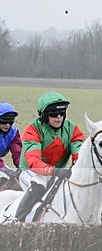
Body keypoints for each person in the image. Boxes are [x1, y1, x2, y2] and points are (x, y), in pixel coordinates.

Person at [15, 92, 85, 222]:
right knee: (40, 184)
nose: (58, 117)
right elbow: (34, 162)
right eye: (53, 114)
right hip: (30, 172)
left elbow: (79, 154)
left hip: (56, 174)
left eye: (62, 113)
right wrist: (55, 171)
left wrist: (78, 167)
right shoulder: (32, 129)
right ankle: (17, 222)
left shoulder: (72, 129)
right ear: (44, 115)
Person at [0, 102, 22, 183]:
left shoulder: (13, 132)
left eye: (10, 121)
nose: (7, 125)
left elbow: (18, 153)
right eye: (4, 121)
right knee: (3, 178)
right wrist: (5, 170)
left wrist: (22, 167)